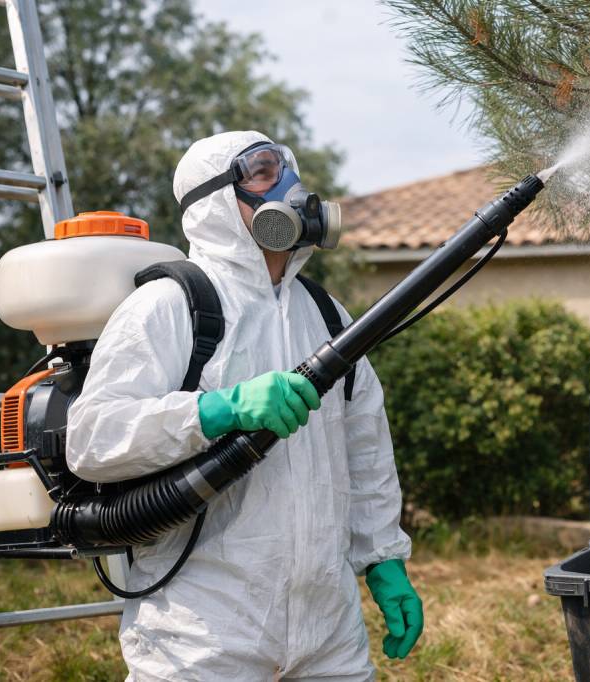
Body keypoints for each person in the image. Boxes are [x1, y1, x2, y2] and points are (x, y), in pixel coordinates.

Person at [66, 130, 422, 681]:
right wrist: (218, 410)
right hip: (200, 635)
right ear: (216, 203)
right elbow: (91, 438)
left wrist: (383, 557)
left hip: (328, 630)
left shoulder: (327, 315)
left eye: (286, 168)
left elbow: (365, 446)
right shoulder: (170, 304)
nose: (289, 187)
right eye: (262, 173)